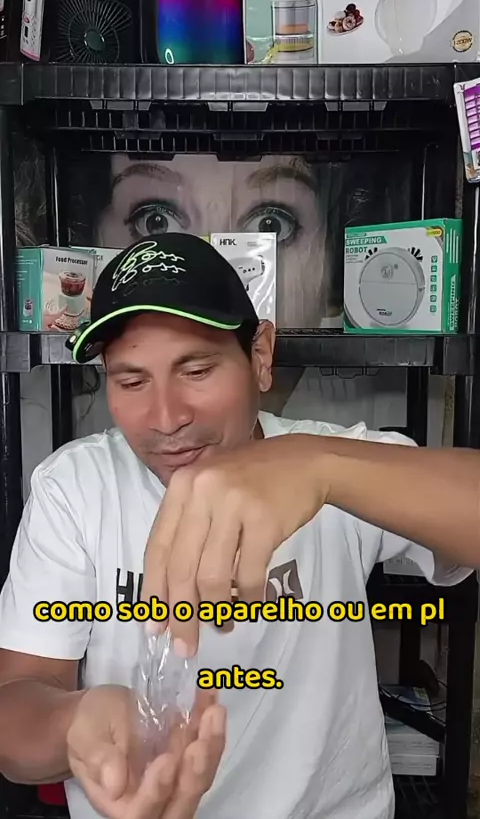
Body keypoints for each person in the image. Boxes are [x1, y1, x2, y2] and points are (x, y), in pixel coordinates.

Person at [0, 233, 477, 819]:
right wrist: (75, 724)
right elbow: (15, 707)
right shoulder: (75, 487)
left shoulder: (328, 461)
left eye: (197, 369)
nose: (166, 418)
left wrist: (325, 470)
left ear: (260, 355)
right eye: (131, 381)